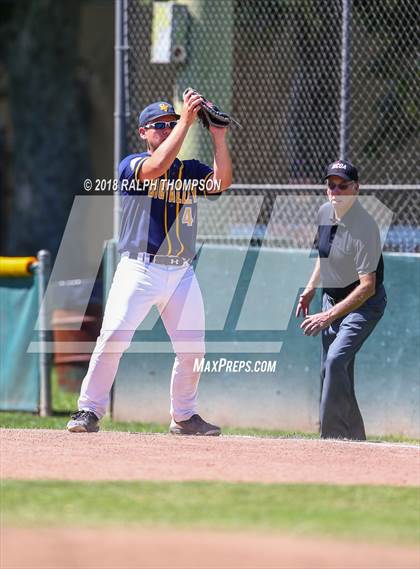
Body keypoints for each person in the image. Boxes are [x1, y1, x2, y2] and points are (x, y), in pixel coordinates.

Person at [67, 90, 232, 435]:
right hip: (139, 268)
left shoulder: (189, 170)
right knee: (113, 338)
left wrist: (218, 138)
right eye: (158, 126)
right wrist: (186, 122)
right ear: (143, 133)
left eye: (170, 123)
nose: (166, 128)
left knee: (193, 350)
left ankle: (184, 416)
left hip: (181, 272)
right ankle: (88, 410)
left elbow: (220, 183)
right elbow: (157, 167)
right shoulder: (131, 165)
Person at [296, 160, 387, 440]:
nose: (335, 191)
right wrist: (311, 287)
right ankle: (354, 439)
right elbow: (325, 256)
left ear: (356, 189)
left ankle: (333, 440)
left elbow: (368, 287)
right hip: (331, 299)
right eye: (331, 185)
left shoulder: (365, 227)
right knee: (332, 369)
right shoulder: (325, 213)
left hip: (363, 305)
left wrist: (328, 316)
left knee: (336, 361)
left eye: (343, 186)